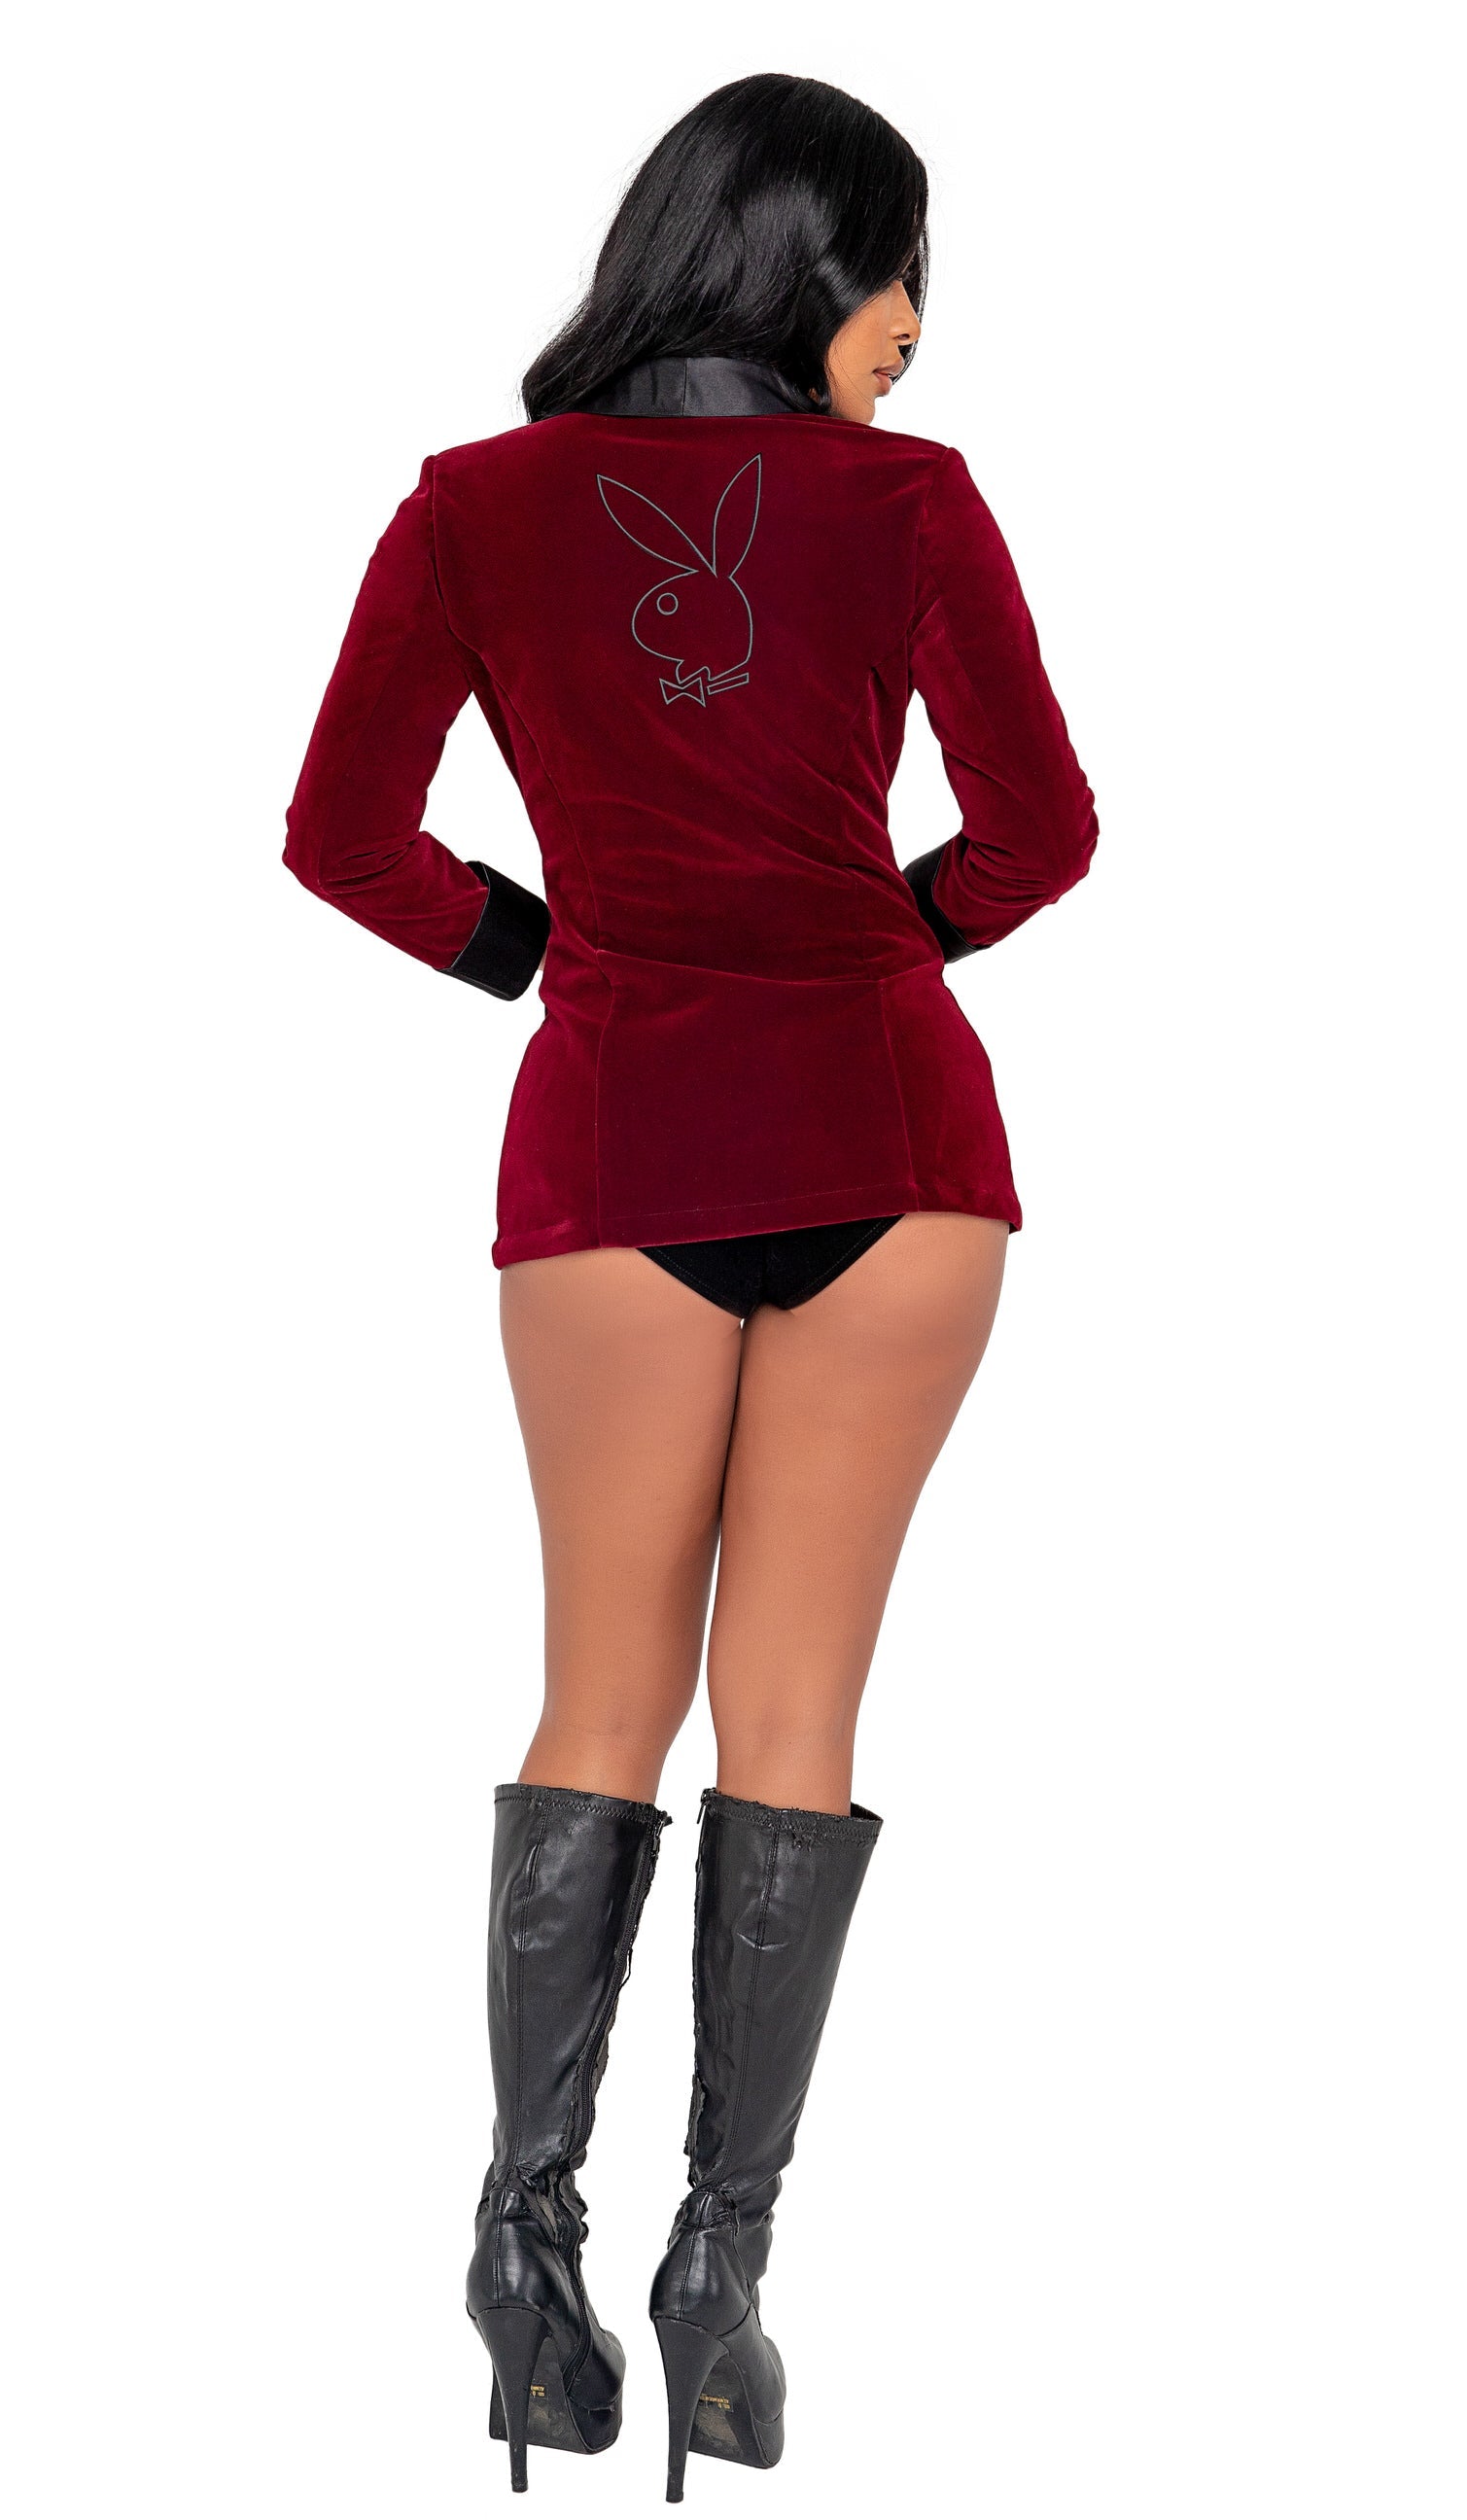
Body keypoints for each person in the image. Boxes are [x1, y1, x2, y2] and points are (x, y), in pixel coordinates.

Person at [282, 71, 1097, 2502]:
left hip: (618, 1132)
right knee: (796, 1711)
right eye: (899, 269)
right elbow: (1042, 835)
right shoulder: (908, 505)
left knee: (596, 1690)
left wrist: (553, 952)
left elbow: (339, 836)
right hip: (888, 1140)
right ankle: (716, 2284)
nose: (915, 326)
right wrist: (866, 941)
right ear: (811, 256)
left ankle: (516, 2252)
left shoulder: (471, 506)